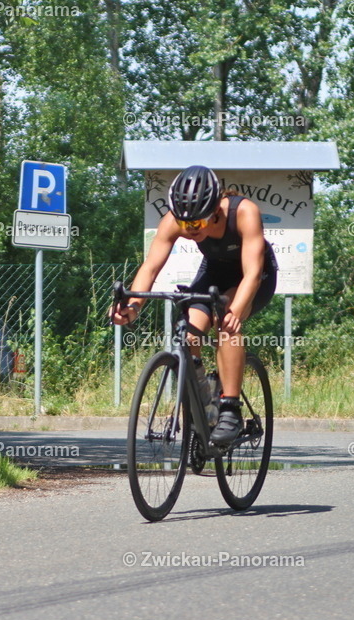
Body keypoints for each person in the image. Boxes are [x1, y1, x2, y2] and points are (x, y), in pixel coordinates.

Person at [110, 165, 277, 447]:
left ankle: (230, 409)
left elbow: (251, 273)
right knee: (189, 334)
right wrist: (133, 306)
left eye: (197, 224)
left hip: (255, 277)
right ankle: (202, 406)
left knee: (225, 321)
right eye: (184, 224)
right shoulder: (176, 220)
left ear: (214, 211)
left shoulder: (244, 212)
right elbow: (150, 267)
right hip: (214, 273)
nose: (190, 230)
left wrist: (235, 312)